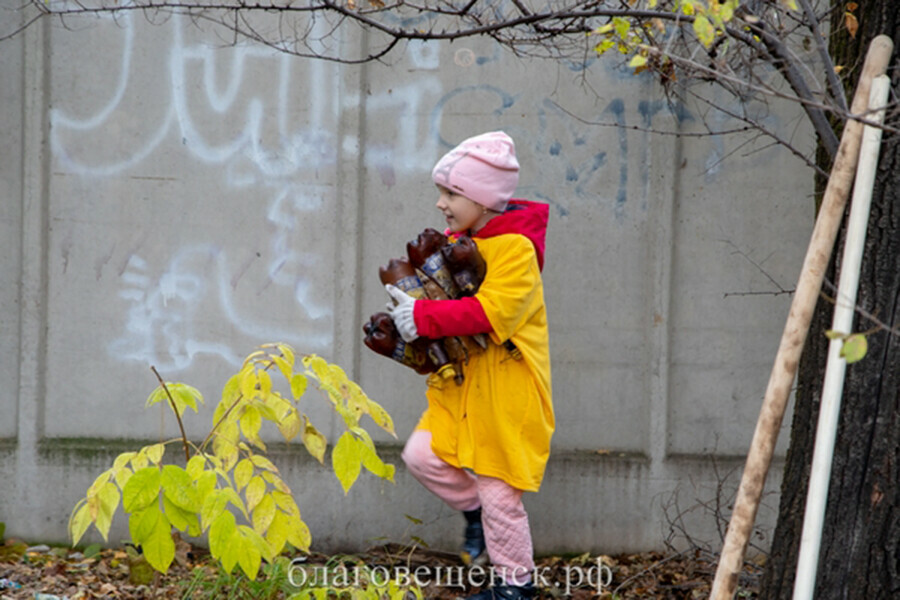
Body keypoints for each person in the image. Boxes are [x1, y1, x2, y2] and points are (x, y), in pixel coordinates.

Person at [385, 131, 554, 600]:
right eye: (442, 192)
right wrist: (407, 311)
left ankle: (515, 588)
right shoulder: (462, 241)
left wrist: (422, 316)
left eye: (451, 193)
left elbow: (491, 314)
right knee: (423, 456)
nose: (441, 203)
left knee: (501, 495)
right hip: (462, 386)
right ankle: (480, 516)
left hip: (506, 391)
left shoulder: (516, 250)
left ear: (482, 199)